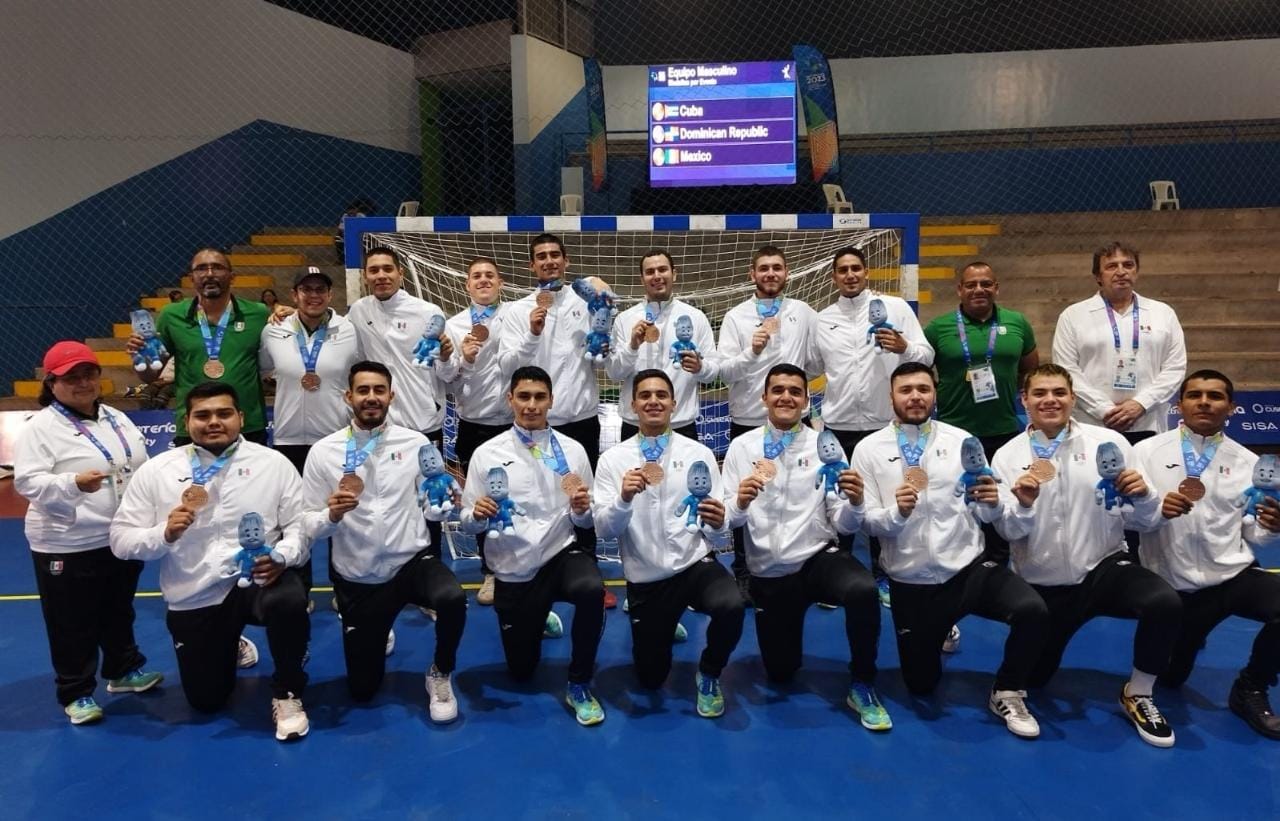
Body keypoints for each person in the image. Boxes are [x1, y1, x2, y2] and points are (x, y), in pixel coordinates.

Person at [851, 362, 1049, 738]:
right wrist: (897, 513)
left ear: (935, 394)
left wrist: (998, 502)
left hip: (968, 570)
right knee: (921, 685)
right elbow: (868, 522)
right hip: (911, 581)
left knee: (1033, 611)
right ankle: (943, 627)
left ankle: (1007, 690)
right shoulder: (869, 449)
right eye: (906, 390)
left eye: (923, 389)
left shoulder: (962, 441)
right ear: (891, 397)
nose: (915, 396)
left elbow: (991, 514)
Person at [991, 364, 1182, 747]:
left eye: (1059, 392)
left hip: (1104, 568)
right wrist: (1024, 504)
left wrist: (1145, 495)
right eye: (1040, 393)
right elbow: (1009, 531)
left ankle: (1139, 693)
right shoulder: (1007, 456)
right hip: (1044, 581)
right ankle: (1011, 685)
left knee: (1164, 602)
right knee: (1036, 678)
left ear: (1073, 398)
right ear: (1024, 400)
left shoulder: (1108, 443)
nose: (1050, 400)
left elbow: (1145, 521)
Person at [110, 382, 313, 742]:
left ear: (241, 417)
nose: (214, 422)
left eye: (224, 413)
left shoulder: (273, 464)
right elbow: (120, 541)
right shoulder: (158, 471)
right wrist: (163, 533)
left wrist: (283, 556)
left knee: (289, 600)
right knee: (206, 701)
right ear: (186, 421)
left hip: (257, 580)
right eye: (202, 415)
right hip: (195, 592)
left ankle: (287, 692)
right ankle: (229, 642)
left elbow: (299, 526)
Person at [723, 364, 888, 729]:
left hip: (818, 558)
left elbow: (844, 523)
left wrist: (856, 502)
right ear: (764, 397)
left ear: (805, 401)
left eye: (795, 391)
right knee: (781, 672)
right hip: (769, 572)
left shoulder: (823, 446)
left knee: (862, 590)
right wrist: (740, 502)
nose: (786, 397)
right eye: (778, 390)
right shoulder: (741, 447)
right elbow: (727, 521)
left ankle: (863, 682)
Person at [303, 362, 466, 721]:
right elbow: (308, 522)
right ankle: (379, 628)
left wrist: (444, 504)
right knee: (362, 691)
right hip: (358, 574)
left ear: (391, 396)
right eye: (363, 390)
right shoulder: (324, 452)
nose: (371, 397)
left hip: (411, 563)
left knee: (453, 598)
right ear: (348, 397)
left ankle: (440, 672)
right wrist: (330, 515)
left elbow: (431, 508)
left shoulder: (416, 443)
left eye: (379, 390)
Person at [14, 341, 163, 725]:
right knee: (71, 620)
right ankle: (76, 691)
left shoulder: (116, 417)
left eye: (88, 374)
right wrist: (72, 483)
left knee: (118, 608)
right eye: (71, 377)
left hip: (118, 535)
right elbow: (27, 482)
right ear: (52, 383)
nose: (82, 383)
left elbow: (139, 465)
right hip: (67, 540)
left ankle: (122, 670)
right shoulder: (41, 428)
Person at [1134, 370, 1280, 740]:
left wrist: (1271, 527)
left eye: (1214, 396)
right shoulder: (1146, 452)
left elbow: (1254, 534)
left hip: (1230, 576)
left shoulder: (1248, 462)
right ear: (1179, 404)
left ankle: (1251, 686)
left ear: (1231, 407)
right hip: (1171, 587)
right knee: (1170, 678)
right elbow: (1126, 518)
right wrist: (1156, 511)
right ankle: (1185, 639)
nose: (1204, 402)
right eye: (1194, 395)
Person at [459, 366, 607, 726]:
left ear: (551, 401)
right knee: (521, 670)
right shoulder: (486, 454)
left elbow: (587, 521)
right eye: (523, 396)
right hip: (514, 565)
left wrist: (582, 511)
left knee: (592, 590)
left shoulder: (573, 451)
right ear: (510, 399)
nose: (531, 405)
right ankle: (539, 615)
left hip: (561, 553)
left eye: (540, 397)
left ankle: (579, 683)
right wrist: (477, 515)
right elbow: (466, 521)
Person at [593, 370, 742, 717]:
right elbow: (603, 530)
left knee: (732, 606)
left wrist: (718, 521)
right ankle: (665, 622)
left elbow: (718, 530)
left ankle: (710, 672)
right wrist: (623, 499)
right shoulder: (613, 460)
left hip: (694, 564)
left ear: (674, 403)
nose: (654, 401)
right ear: (632, 405)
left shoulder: (699, 453)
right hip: (647, 578)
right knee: (650, 679)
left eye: (661, 395)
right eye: (645, 395)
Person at [812, 245, 933, 603]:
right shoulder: (823, 319)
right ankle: (838, 578)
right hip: (839, 425)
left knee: (883, 499)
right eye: (843, 270)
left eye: (856, 268)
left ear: (866, 272)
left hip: (884, 424)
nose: (850, 275)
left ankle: (884, 575)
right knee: (839, 501)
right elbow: (811, 364)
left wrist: (903, 346)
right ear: (834, 277)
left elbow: (926, 355)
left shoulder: (895, 308)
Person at [496, 233, 610, 604]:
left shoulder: (586, 301)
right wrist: (532, 333)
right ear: (532, 265)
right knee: (534, 499)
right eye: (541, 256)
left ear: (566, 260)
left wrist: (605, 300)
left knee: (582, 499)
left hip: (580, 420)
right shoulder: (517, 310)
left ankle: (588, 567)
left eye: (555, 255)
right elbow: (506, 366)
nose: (549, 261)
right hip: (534, 423)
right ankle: (530, 573)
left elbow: (604, 343)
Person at [716, 245, 819, 600]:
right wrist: (752, 351)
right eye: (764, 268)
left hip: (794, 421)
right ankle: (744, 571)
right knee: (745, 496)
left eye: (777, 267)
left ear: (786, 272)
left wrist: (796, 390)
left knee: (797, 491)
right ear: (752, 274)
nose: (770, 273)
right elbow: (724, 372)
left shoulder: (803, 312)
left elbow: (817, 360)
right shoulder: (736, 317)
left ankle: (805, 563)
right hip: (749, 419)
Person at [260, 265, 363, 610]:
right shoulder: (274, 331)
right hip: (288, 440)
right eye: (307, 289)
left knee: (340, 514)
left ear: (330, 294)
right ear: (295, 295)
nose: (314, 295)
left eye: (320, 289)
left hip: (335, 439)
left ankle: (343, 586)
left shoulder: (348, 330)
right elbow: (263, 368)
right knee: (293, 518)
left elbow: (362, 371)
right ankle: (299, 588)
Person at [346, 245, 458, 561]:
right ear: (365, 276)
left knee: (429, 499)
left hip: (422, 424)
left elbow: (449, 374)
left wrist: (446, 355)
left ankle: (430, 566)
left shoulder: (428, 312)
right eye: (374, 270)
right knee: (382, 497)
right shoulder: (358, 312)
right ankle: (382, 566)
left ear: (400, 273)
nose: (381, 275)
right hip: (378, 426)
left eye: (387, 269)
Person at [924, 261, 1037, 565]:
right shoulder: (938, 328)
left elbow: (1030, 371)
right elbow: (921, 373)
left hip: (1003, 430)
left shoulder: (1017, 323)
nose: (979, 289)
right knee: (957, 501)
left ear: (996, 288)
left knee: (998, 499)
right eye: (971, 284)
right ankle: (961, 561)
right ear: (959, 289)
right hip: (954, 433)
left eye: (986, 283)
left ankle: (998, 565)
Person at [131, 247, 271, 444]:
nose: (210, 274)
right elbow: (149, 376)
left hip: (248, 426)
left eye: (217, 267)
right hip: (194, 427)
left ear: (232, 277)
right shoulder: (171, 316)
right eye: (202, 268)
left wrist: (290, 313)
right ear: (191, 278)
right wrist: (141, 356)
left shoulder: (258, 314)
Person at [1051, 242, 1186, 444]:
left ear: (1136, 272)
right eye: (1112, 266)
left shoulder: (1163, 313)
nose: (1121, 272)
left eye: (1128, 265)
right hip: (1092, 424)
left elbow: (1175, 368)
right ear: (1098, 276)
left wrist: (1141, 403)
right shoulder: (1073, 316)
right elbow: (1066, 370)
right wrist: (1103, 409)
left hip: (1147, 422)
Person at [444, 256, 514, 606]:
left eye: (490, 275)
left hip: (517, 423)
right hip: (474, 425)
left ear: (500, 283)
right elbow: (447, 381)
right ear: (467, 285)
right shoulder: (454, 325)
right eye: (476, 276)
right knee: (481, 501)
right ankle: (491, 571)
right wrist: (465, 360)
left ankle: (526, 562)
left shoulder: (514, 316)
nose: (483, 280)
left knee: (521, 494)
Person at [605, 250, 720, 442]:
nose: (657, 276)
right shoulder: (624, 320)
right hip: (635, 425)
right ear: (642, 278)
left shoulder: (696, 317)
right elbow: (614, 373)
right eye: (650, 272)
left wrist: (700, 367)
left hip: (681, 425)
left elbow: (713, 374)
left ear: (674, 274)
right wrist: (632, 346)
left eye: (662, 270)